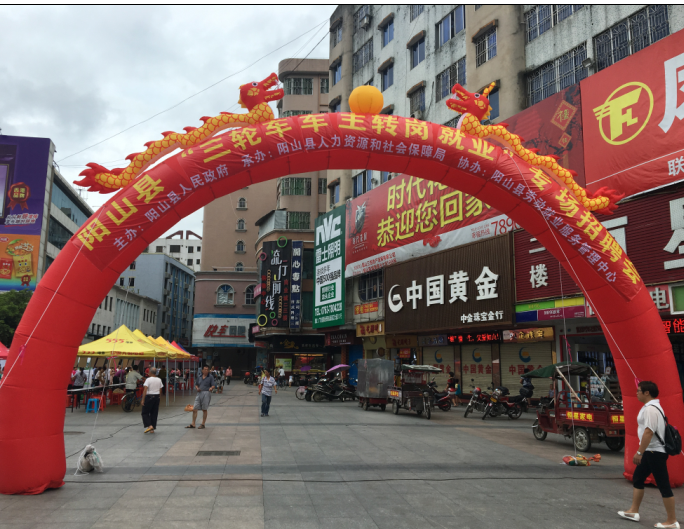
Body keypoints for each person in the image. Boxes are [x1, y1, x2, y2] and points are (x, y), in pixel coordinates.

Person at [618, 381, 678, 528]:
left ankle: (672, 521)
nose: (636, 393)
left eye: (638, 391)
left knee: (663, 485)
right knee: (638, 478)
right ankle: (633, 511)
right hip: (651, 451)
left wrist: (639, 452)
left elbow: (649, 432)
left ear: (647, 393)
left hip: (654, 452)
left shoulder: (651, 409)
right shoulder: (650, 407)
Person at [141, 367, 163, 434]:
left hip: (149, 397)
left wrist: (143, 399)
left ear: (150, 372)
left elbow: (145, 389)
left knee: (145, 412)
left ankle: (150, 426)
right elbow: (160, 390)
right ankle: (152, 428)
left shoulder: (148, 379)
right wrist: (159, 397)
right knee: (154, 413)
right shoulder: (159, 379)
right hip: (156, 397)